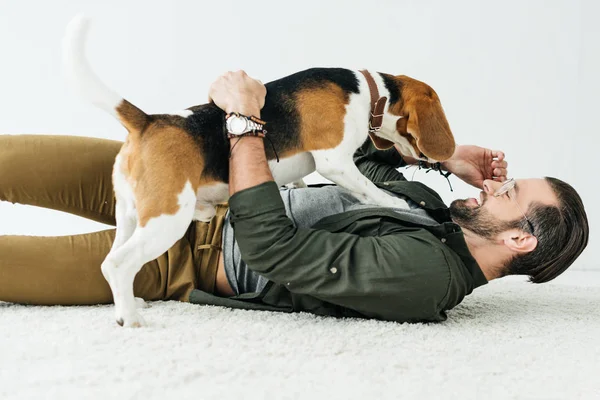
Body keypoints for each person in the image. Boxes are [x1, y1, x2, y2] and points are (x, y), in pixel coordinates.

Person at [0, 72, 588, 323]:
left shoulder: (425, 278)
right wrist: (440, 156)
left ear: (519, 239)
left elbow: (272, 249)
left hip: (188, 258)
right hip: (202, 179)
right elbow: (349, 158)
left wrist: (244, 124)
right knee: (12, 157)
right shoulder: (430, 213)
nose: (497, 184)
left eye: (511, 194)